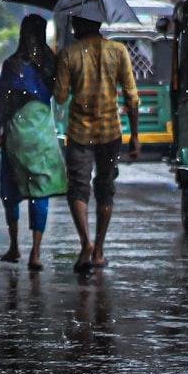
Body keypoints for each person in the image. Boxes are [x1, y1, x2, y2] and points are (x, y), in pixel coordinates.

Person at [53, 16, 140, 273]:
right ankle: (99, 250)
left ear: (77, 27)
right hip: (110, 133)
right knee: (105, 188)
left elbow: (59, 97)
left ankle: (86, 244)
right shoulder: (118, 50)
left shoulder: (69, 54)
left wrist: (56, 70)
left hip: (80, 133)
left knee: (78, 189)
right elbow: (131, 96)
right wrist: (135, 136)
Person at [0, 14, 66, 271]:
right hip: (42, 134)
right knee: (39, 193)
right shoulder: (52, 64)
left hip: (17, 134)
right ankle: (36, 253)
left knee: (11, 190)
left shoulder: (13, 65)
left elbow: (2, 104)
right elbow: (61, 96)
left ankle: (14, 247)